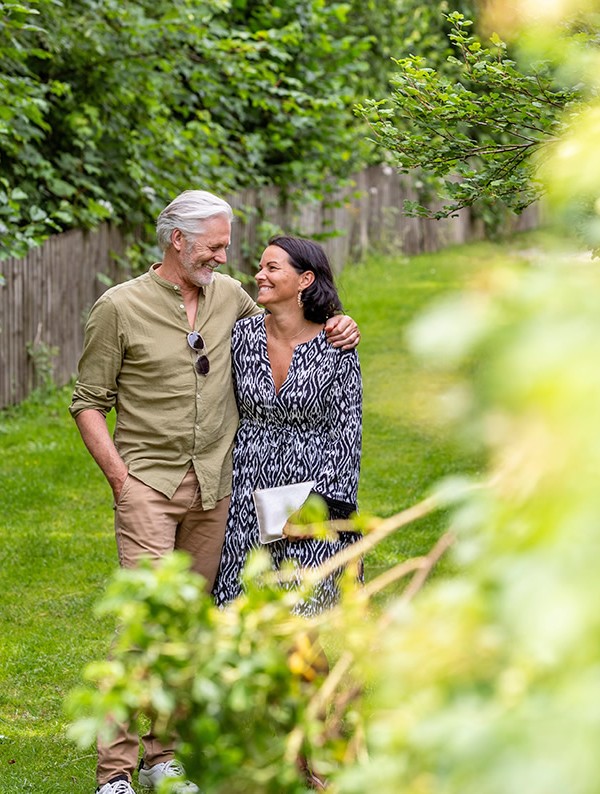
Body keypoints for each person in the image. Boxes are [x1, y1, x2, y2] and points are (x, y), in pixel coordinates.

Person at [69, 190, 360, 794]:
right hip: (157, 484)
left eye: (231, 247)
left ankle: (166, 756)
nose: (229, 259)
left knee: (220, 626)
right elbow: (88, 401)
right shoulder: (122, 307)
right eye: (216, 246)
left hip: (234, 492)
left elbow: (303, 326)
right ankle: (115, 773)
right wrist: (121, 479)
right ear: (177, 239)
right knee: (146, 622)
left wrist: (341, 322)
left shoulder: (233, 301)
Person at [212, 236, 362, 616]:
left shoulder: (335, 343)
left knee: (304, 617)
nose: (259, 275)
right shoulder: (241, 337)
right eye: (260, 267)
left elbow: (347, 434)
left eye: (271, 268)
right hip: (247, 492)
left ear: (305, 279)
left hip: (310, 499)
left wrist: (315, 508)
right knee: (243, 606)